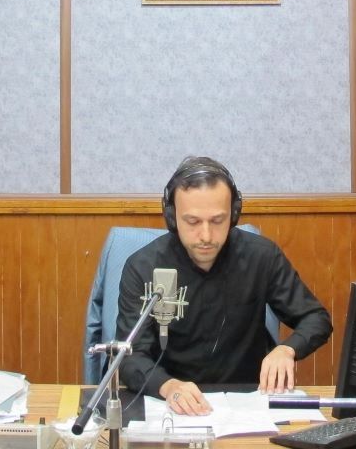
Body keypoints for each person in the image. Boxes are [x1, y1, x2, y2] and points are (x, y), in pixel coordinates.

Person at [116, 156, 333, 416]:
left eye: (218, 221)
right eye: (193, 222)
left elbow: (316, 318)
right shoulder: (144, 267)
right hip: (170, 406)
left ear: (234, 214)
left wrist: (287, 349)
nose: (206, 236)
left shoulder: (261, 257)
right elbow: (129, 356)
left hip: (247, 403)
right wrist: (168, 385)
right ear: (172, 217)